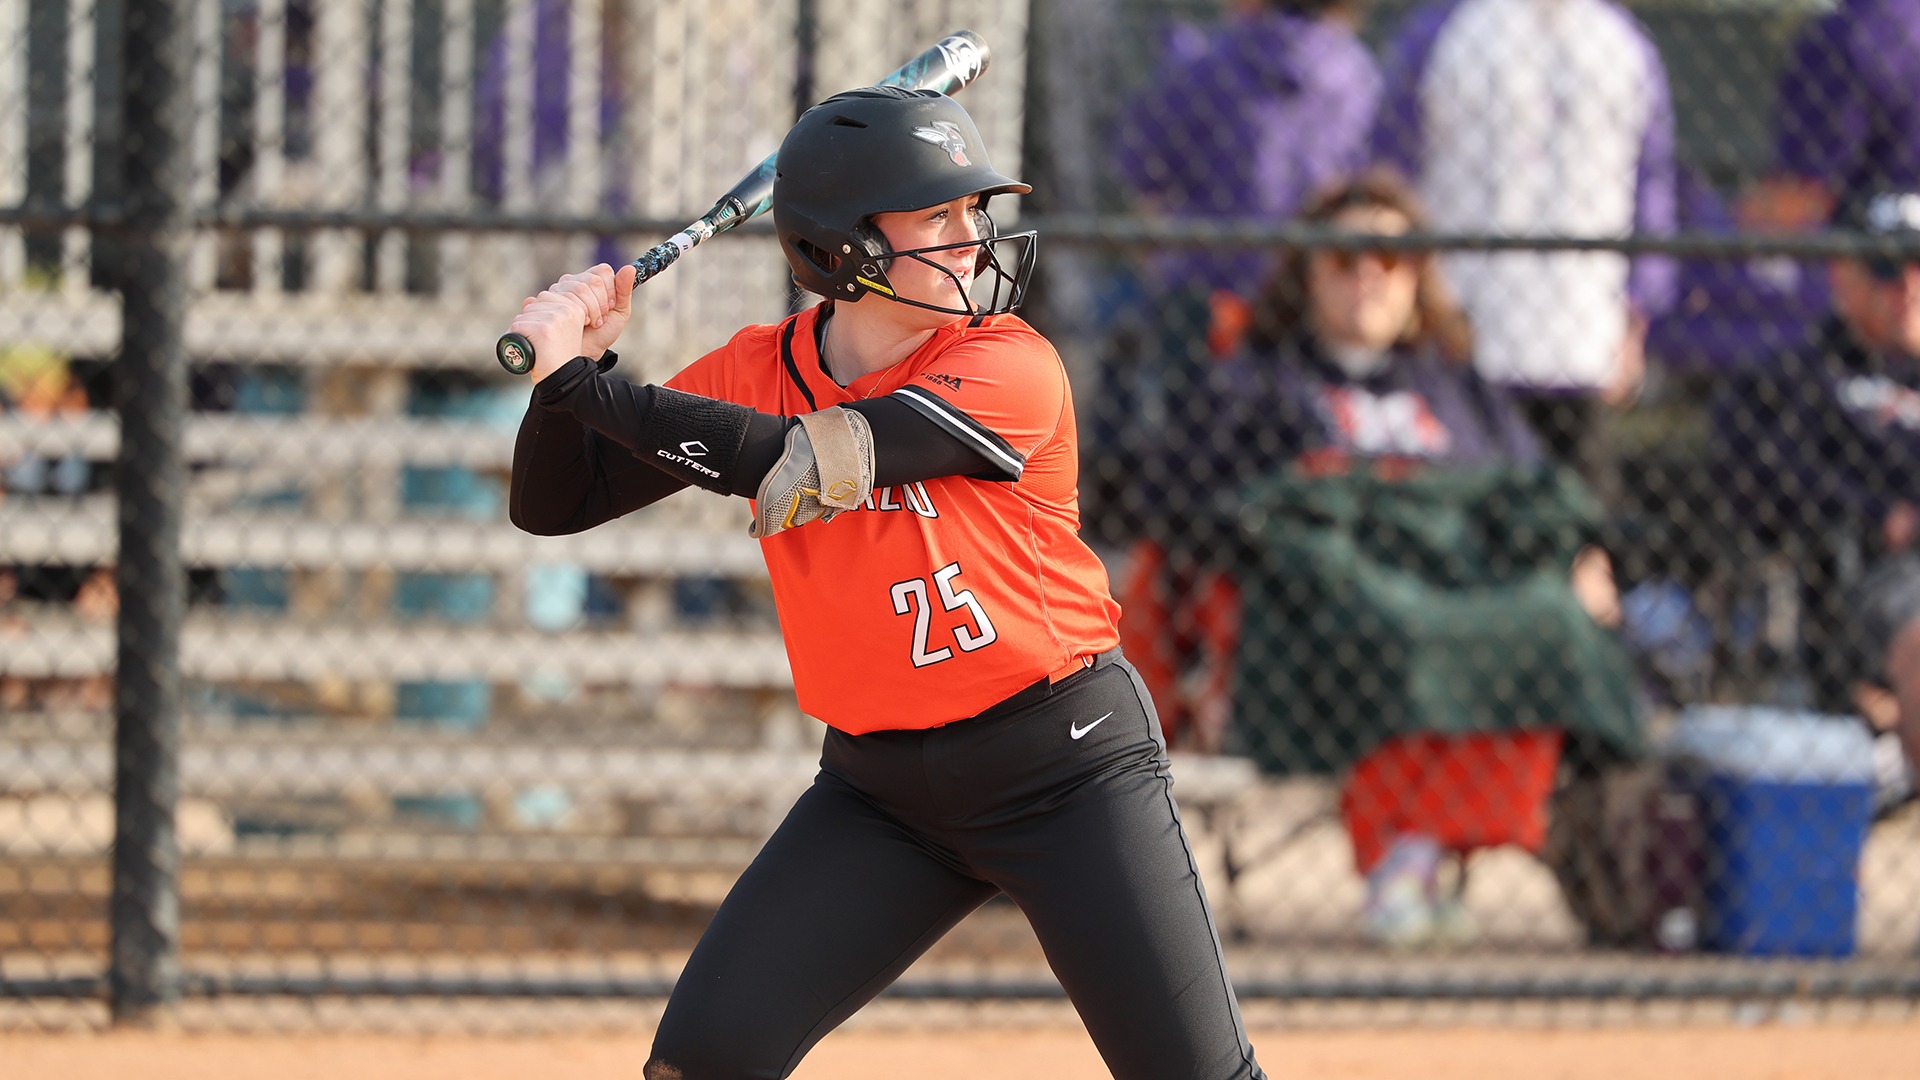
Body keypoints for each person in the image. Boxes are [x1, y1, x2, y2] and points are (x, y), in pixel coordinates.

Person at [503, 87, 1265, 1080]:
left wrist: (582, 385)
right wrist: (574, 385)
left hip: (1065, 769)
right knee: (705, 1060)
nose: (970, 236)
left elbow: (802, 459)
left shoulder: (1010, 364)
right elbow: (557, 503)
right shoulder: (755, 368)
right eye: (935, 215)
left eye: (970, 212)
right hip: (881, 796)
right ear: (841, 248)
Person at [1143, 172, 1638, 947]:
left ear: (1418, 278)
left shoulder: (1459, 387)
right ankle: (1405, 852)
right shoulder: (1258, 382)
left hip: (1466, 591)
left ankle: (1418, 847)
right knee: (1399, 628)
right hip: (1330, 613)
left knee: (1551, 624)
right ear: (1307, 274)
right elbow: (1191, 508)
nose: (1368, 275)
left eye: (1390, 257)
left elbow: (1537, 494)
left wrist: (1582, 556)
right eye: (1344, 259)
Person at [1083, 0, 1382, 549]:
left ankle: (1191, 559)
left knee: (1193, 451)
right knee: (1305, 444)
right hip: (1305, 298)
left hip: (1204, 292)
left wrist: (1163, 253)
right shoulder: (1358, 74)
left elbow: (1143, 171)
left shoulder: (1207, 64)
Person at [1369, 0, 1679, 505]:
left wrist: (1636, 319)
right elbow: (1390, 176)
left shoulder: (1622, 43)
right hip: (1463, 338)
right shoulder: (1443, 30)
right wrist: (1424, 307)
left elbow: (1652, 190)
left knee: (1577, 525)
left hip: (1581, 340)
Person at [1714, 188, 1920, 718]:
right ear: (1842, 276)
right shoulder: (1800, 377)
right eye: (1889, 271)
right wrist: (1878, 514)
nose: (1911, 288)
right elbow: (1765, 474)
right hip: (1876, 578)